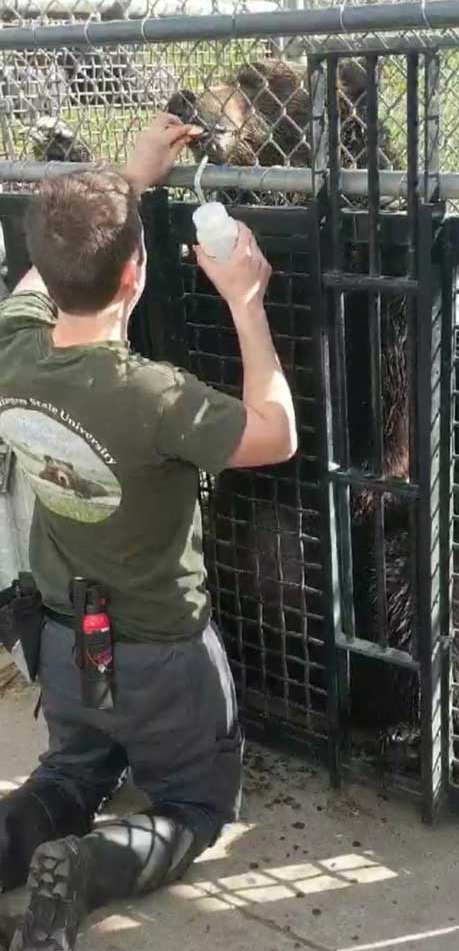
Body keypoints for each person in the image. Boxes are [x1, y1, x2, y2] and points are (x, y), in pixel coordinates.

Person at [0, 114, 297, 951]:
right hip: (163, 651)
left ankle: (20, 839)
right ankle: (90, 870)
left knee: (72, 770)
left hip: (68, 639)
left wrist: (128, 178)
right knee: (193, 809)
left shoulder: (11, 348)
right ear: (138, 274)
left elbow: (41, 275)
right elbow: (275, 434)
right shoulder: (157, 397)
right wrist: (246, 300)